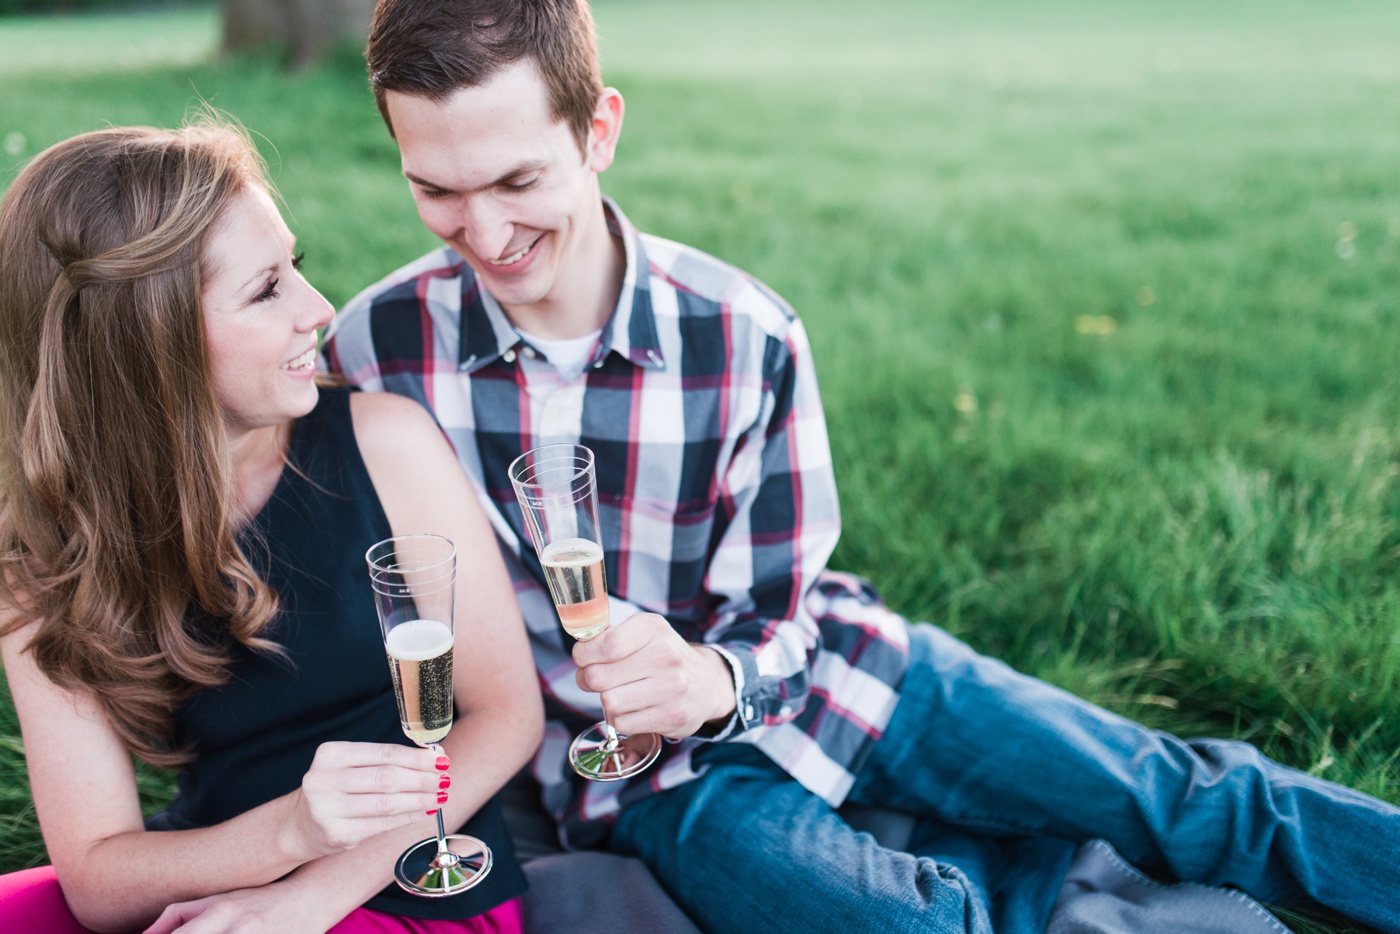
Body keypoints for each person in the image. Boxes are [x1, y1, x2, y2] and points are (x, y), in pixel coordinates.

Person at [325, 2, 1400, 932]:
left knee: (1178, 795)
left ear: (598, 129)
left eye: (517, 179)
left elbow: (782, 612)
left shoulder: (745, 334)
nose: (486, 232)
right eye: (437, 191)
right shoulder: (375, 349)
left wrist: (712, 678)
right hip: (653, 779)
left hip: (844, 670)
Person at [0, 120, 543, 934]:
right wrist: (287, 834)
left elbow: (505, 717)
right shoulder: (41, 549)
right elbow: (100, 877)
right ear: (148, 345)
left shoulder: (383, 444)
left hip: (410, 879)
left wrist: (311, 894)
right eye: (265, 290)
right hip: (221, 863)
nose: (317, 309)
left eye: (296, 266)